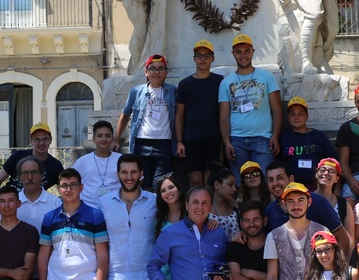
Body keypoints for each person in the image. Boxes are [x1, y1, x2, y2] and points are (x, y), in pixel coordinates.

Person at [219, 34, 282, 177]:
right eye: (239, 52)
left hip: (263, 139)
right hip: (237, 141)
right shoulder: (225, 82)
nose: (243, 56)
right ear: (233, 54)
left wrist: (275, 136)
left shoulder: (267, 77)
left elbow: (277, 110)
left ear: (253, 51)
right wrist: (227, 142)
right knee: (240, 184)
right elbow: (223, 116)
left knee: (265, 182)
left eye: (247, 51)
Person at [116, 54, 177, 189]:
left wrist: (179, 142)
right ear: (146, 71)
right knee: (143, 183)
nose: (156, 72)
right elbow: (125, 114)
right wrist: (116, 139)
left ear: (166, 72)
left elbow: (179, 117)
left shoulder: (173, 91)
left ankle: (159, 210)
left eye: (161, 69)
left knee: (160, 183)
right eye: (152, 68)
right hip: (141, 143)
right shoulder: (136, 92)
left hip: (164, 144)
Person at [263, 161, 351, 254]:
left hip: (318, 266)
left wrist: (335, 267)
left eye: (280, 178)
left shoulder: (317, 201)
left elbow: (342, 239)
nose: (275, 183)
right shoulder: (270, 210)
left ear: (291, 179)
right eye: (270, 179)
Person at [176, 40, 225, 187]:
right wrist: (179, 142)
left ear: (213, 58)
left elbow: (224, 111)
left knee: (211, 181)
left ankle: (211, 210)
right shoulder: (185, 84)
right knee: (195, 181)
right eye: (199, 56)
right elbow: (179, 115)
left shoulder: (219, 81)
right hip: (191, 138)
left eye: (207, 56)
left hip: (213, 137)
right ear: (194, 58)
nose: (203, 59)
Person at [0, 122, 65, 213]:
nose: (41, 143)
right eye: (37, 139)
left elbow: (65, 188)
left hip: (33, 208)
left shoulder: (55, 166)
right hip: (8, 207)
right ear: (31, 141)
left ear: (51, 140)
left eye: (45, 139)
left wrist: (59, 205)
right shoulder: (18, 156)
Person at [227, 202, 271, 280]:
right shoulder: (234, 247)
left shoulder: (274, 244)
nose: (251, 224)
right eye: (247, 220)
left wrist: (250, 273)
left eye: (256, 219)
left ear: (265, 220)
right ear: (241, 224)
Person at [278, 97, 337, 188]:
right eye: (292, 114)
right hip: (291, 187)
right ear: (288, 118)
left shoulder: (318, 136)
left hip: (318, 187)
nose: (296, 117)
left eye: (300, 114)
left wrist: (337, 187)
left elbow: (333, 162)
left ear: (307, 116)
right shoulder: (283, 138)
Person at [152, 173, 186, 280]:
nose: (168, 192)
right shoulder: (159, 218)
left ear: (179, 188)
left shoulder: (192, 215)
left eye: (171, 187)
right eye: (163, 190)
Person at [76, 120, 122, 207]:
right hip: (89, 209)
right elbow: (71, 181)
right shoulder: (82, 162)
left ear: (112, 138)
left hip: (116, 208)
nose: (104, 139)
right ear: (93, 139)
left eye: (107, 136)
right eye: (100, 136)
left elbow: (138, 179)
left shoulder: (121, 160)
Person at [314, 158, 354, 251]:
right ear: (316, 174)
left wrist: (345, 263)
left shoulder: (343, 205)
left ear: (337, 178)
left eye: (331, 171)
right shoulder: (305, 199)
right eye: (322, 170)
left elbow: (350, 239)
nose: (326, 173)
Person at [14, 156, 60, 234]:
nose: (30, 177)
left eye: (34, 172)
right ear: (19, 177)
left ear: (42, 175)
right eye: (25, 173)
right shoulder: (12, 204)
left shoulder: (56, 203)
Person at [209, 167, 241, 240]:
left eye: (234, 185)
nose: (234, 189)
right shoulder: (204, 211)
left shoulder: (236, 210)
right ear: (217, 185)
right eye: (230, 185)